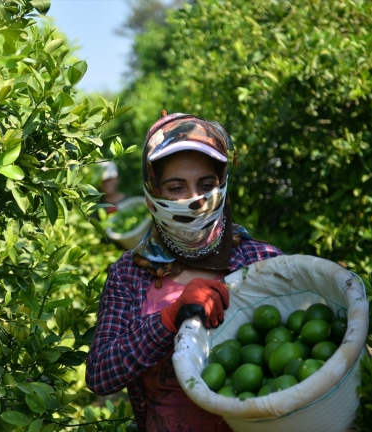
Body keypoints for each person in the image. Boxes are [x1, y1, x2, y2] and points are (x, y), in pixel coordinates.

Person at [86, 112, 284, 431]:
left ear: (223, 184)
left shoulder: (259, 259)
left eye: (206, 184)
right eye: (177, 187)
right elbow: (100, 375)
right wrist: (168, 319)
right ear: (153, 193)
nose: (195, 200)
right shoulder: (131, 273)